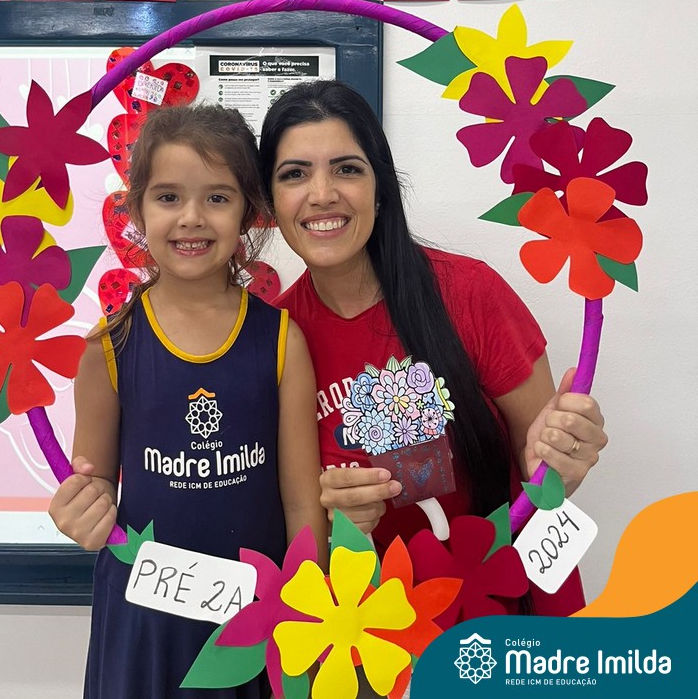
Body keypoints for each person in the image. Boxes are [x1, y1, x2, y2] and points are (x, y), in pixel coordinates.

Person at [258, 79, 608, 619]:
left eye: (347, 169)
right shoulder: (275, 337)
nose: (322, 193)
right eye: (294, 174)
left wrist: (559, 461)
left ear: (380, 188)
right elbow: (291, 527)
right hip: (371, 631)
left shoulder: (470, 293)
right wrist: (334, 523)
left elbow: (541, 471)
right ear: (270, 201)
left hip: (499, 606)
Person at [49, 103, 327, 699]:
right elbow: (92, 488)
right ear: (137, 211)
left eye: (217, 198)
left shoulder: (282, 341)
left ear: (248, 213)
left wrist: (307, 615)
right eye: (168, 197)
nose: (192, 218)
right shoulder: (108, 347)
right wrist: (79, 513)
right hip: (144, 623)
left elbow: (303, 504)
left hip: (256, 619)